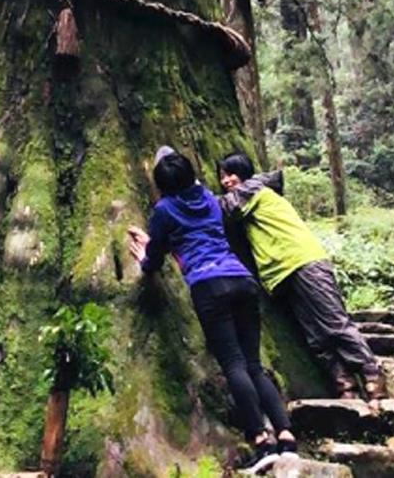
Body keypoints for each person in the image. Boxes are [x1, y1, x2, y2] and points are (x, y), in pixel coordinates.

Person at [127, 146, 297, 472]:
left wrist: (144, 254)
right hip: (242, 279)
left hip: (209, 284)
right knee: (253, 365)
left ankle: (261, 441)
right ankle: (286, 435)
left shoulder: (163, 210)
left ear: (161, 184)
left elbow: (156, 259)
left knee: (233, 364)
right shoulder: (207, 197)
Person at [216, 152, 384, 401]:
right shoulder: (251, 191)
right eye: (222, 176)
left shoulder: (253, 191)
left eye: (231, 174)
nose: (226, 180)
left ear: (244, 173)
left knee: (334, 323)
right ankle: (343, 383)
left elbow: (225, 207)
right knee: (314, 335)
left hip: (303, 261)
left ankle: (371, 373)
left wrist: (193, 194)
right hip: (279, 272)